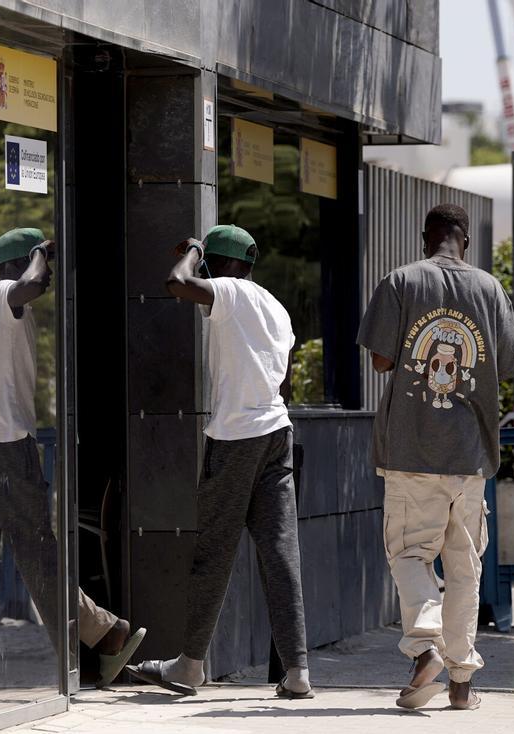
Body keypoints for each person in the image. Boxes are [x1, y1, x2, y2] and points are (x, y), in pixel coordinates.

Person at [0, 227, 145, 701]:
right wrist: (38, 255)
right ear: (17, 263)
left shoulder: (6, 306)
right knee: (38, 553)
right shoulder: (2, 295)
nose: (48, 276)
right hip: (5, 443)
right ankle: (93, 647)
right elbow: (28, 284)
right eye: (43, 263)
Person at [125, 225, 313, 699]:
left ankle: (189, 666)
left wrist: (191, 250)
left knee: (213, 553)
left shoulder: (231, 291)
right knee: (280, 554)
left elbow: (176, 283)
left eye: (209, 263)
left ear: (220, 265)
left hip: (236, 438)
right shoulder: (276, 307)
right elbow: (283, 384)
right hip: (277, 434)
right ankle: (297, 671)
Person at [357, 204, 514, 711]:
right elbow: (507, 368)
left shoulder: (400, 281)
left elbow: (382, 360)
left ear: (425, 236)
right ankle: (461, 685)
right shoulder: (491, 289)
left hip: (411, 450)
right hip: (471, 457)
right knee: (464, 565)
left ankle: (424, 646)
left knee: (409, 554)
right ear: (464, 240)